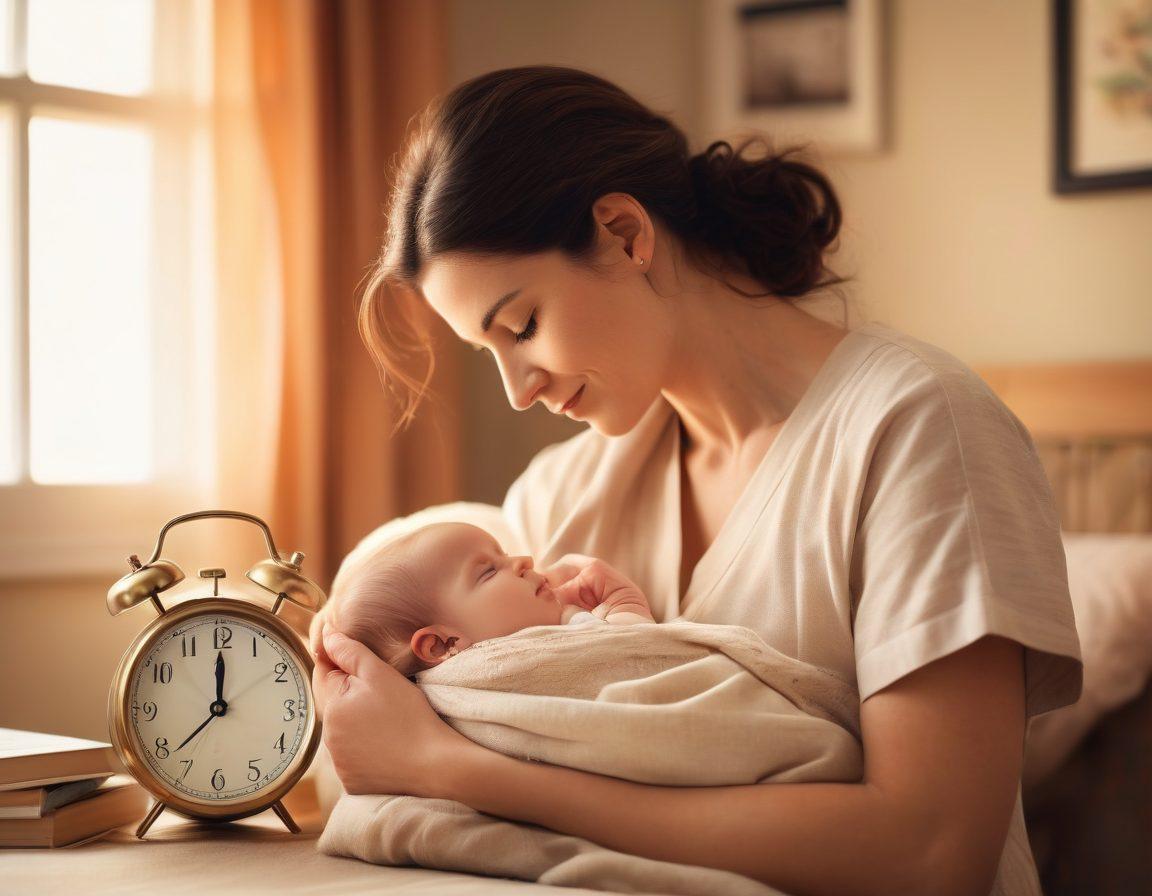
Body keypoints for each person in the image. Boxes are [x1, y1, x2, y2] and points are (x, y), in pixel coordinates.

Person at [311, 65, 1082, 896]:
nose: (519, 389)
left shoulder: (920, 431)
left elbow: (932, 854)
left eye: (523, 325)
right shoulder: (559, 501)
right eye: (488, 353)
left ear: (624, 232)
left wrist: (451, 769)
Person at [309, 521, 656, 677]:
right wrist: (625, 604)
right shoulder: (540, 653)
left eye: (502, 554)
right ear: (440, 646)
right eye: (489, 571)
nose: (524, 561)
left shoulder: (569, 624)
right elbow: (639, 660)